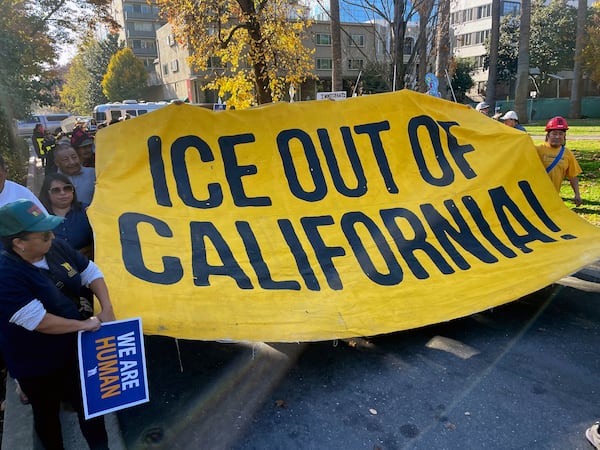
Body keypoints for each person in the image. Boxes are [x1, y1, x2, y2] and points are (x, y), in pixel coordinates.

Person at [0, 199, 115, 449]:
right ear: (19, 243)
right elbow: (40, 321)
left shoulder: (54, 247)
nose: (51, 236)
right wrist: (85, 325)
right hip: (36, 361)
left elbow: (90, 271)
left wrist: (106, 307)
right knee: (47, 414)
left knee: (89, 404)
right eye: (43, 234)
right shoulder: (6, 274)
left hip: (74, 351)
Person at [39, 173, 94, 259]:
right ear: (47, 194)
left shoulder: (88, 211)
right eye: (56, 190)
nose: (63, 193)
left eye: (67, 188)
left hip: (86, 262)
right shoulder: (40, 216)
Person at [535, 116, 583, 207]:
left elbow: (573, 176)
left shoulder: (567, 154)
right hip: (534, 196)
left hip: (553, 198)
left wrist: (577, 194)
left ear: (564, 136)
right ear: (548, 135)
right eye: (554, 133)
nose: (557, 137)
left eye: (561, 134)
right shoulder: (537, 149)